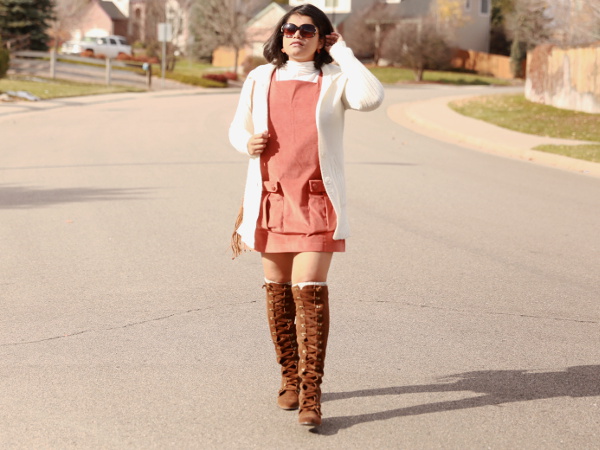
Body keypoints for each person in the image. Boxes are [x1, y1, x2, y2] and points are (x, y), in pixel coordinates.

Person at [229, 4, 384, 427]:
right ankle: (290, 378)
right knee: (277, 292)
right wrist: (247, 144)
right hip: (272, 199)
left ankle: (312, 393)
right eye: (290, 29)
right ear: (281, 36)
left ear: (322, 38)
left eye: (307, 30)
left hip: (316, 202)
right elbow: (236, 128)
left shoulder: (334, 79)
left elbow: (371, 97)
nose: (296, 35)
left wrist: (345, 55)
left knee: (310, 294)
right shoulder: (260, 78)